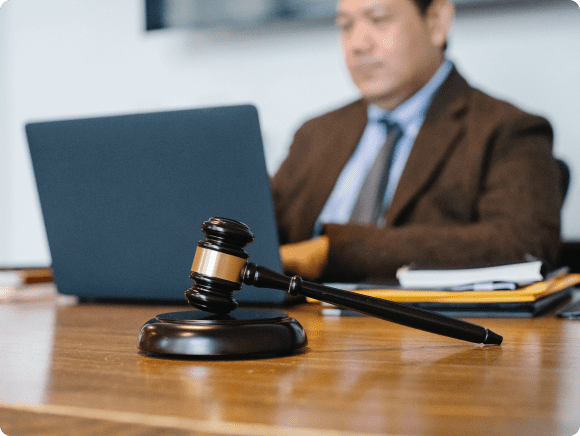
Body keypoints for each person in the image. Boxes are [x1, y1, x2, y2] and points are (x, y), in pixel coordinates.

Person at [272, 0, 562, 283]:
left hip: (417, 327)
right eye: (345, 26)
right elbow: (260, 230)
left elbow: (522, 243)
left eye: (379, 19)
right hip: (294, 321)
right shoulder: (315, 133)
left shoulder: (507, 129)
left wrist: (333, 250)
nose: (358, 44)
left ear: (436, 22)